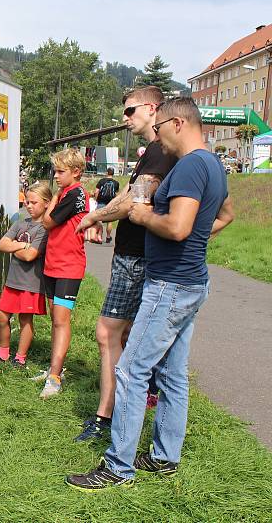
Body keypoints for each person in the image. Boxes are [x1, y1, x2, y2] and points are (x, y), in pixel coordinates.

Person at [66, 97, 234, 490]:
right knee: (172, 373)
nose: (157, 137)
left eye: (160, 128)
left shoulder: (191, 164)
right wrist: (194, 238)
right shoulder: (213, 164)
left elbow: (176, 227)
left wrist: (141, 215)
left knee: (131, 369)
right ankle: (164, 457)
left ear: (177, 122)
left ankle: (118, 466)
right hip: (191, 280)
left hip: (170, 284)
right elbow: (224, 215)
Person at [73, 86, 176, 442]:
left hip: (136, 257)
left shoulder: (162, 150)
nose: (125, 118)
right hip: (133, 254)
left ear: (151, 107)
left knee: (108, 332)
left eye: (130, 111)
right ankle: (128, 404)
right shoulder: (153, 152)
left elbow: (135, 198)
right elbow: (126, 193)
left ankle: (106, 415)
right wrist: (101, 215)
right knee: (128, 335)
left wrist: (93, 217)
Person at [33, 149, 89, 398]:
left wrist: (54, 198)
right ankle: (55, 368)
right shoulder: (66, 191)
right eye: (54, 171)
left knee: (60, 320)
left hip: (68, 265)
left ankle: (55, 376)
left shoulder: (75, 193)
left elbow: (46, 221)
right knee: (55, 319)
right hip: (54, 263)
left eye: (60, 171)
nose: (55, 176)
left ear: (76, 172)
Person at [0, 182, 51, 367]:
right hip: (13, 281)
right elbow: (2, 244)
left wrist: (14, 248)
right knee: (1, 316)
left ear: (46, 203)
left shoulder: (45, 228)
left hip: (31, 283)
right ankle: (3, 354)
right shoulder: (21, 224)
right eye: (27, 202)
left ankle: (20, 359)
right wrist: (21, 245)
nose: (29, 206)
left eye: (34, 202)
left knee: (25, 319)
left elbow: (31, 256)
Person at [94, 167, 120, 243]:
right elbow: (117, 194)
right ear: (113, 173)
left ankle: (99, 237)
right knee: (109, 221)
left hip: (101, 202)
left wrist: (96, 200)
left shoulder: (102, 181)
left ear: (107, 172)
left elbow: (96, 192)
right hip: (111, 203)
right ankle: (108, 237)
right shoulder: (116, 183)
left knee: (98, 219)